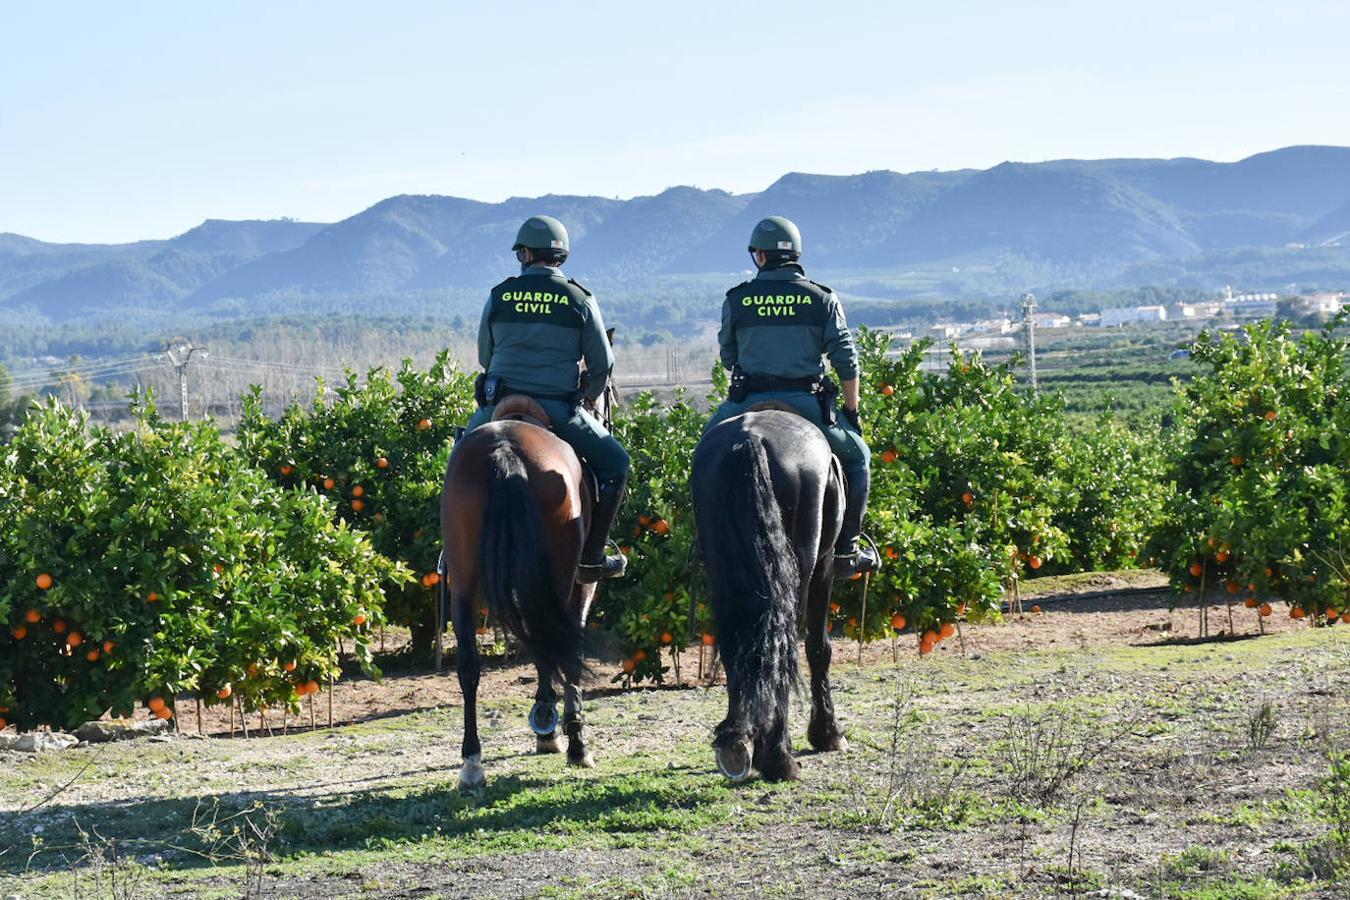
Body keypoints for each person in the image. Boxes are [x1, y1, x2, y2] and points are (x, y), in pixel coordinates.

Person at [458, 215, 630, 582]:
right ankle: (592, 556)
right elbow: (602, 363)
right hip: (557, 407)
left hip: (497, 406)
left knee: (459, 460)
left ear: (523, 253)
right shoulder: (578, 297)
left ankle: (452, 551)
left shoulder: (500, 294)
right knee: (616, 464)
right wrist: (585, 394)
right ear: (560, 255)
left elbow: (485, 357)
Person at [705, 215, 879, 579]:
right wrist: (851, 409)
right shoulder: (821, 298)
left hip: (746, 401)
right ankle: (847, 549)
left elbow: (727, 356)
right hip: (806, 403)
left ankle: (705, 546)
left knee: (706, 454)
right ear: (795, 254)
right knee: (858, 458)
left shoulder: (738, 299)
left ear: (760, 257)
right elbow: (846, 361)